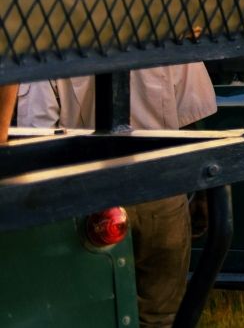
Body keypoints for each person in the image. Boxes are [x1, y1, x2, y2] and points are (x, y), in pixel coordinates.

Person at [17, 64, 216, 328]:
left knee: (92, 313)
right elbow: (193, 115)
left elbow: (38, 132)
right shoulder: (166, 29)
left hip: (89, 199)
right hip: (160, 188)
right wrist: (204, 192)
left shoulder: (50, 43)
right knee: (159, 317)